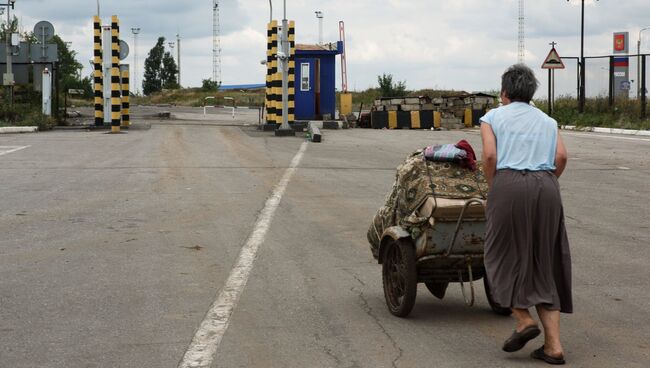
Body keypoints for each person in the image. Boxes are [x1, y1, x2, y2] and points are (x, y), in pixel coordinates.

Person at [479, 64, 572, 365]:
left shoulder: (492, 116)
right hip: (547, 187)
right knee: (545, 261)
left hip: (508, 184)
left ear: (504, 93)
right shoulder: (547, 120)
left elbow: (491, 156)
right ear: (531, 92)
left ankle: (523, 319)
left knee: (498, 254)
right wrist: (546, 181)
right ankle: (554, 347)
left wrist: (496, 188)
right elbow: (561, 156)